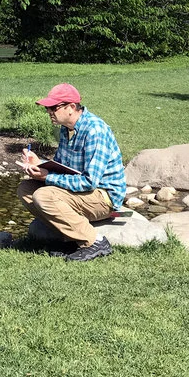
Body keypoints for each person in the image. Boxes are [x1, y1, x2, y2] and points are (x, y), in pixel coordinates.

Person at [17, 83, 126, 262]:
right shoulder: (66, 129)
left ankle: (96, 242)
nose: (49, 112)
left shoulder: (94, 131)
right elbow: (60, 165)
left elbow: (89, 182)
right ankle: (71, 238)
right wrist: (38, 164)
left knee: (44, 196)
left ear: (71, 107)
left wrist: (47, 177)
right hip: (83, 193)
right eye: (47, 108)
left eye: (53, 107)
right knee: (25, 189)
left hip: (103, 196)